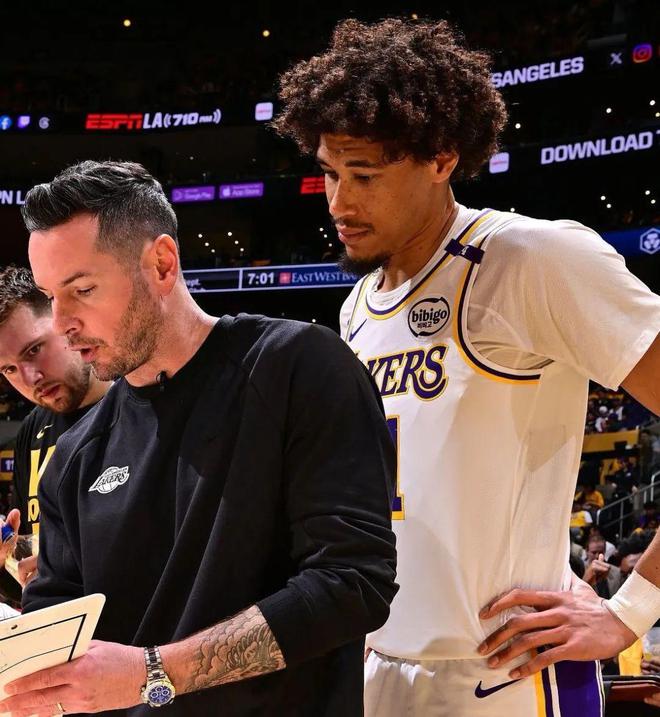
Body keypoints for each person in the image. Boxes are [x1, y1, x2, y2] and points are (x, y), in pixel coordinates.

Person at [272, 17, 660, 716]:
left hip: (507, 676)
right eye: (329, 172)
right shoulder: (357, 306)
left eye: (365, 175)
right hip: (379, 668)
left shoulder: (531, 259)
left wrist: (631, 608)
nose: (340, 203)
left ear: (442, 159)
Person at [5, 160, 398, 716]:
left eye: (83, 289)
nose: (62, 322)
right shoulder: (73, 455)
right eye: (51, 296)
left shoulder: (295, 367)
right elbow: (56, 647)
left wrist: (153, 673)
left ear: (162, 264)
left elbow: (352, 586)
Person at [0, 266, 110, 602]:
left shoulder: (141, 408)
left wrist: (64, 571)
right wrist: (6, 558)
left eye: (34, 350)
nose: (30, 378)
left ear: (64, 321)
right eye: (9, 369)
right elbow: (30, 567)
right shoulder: (33, 428)